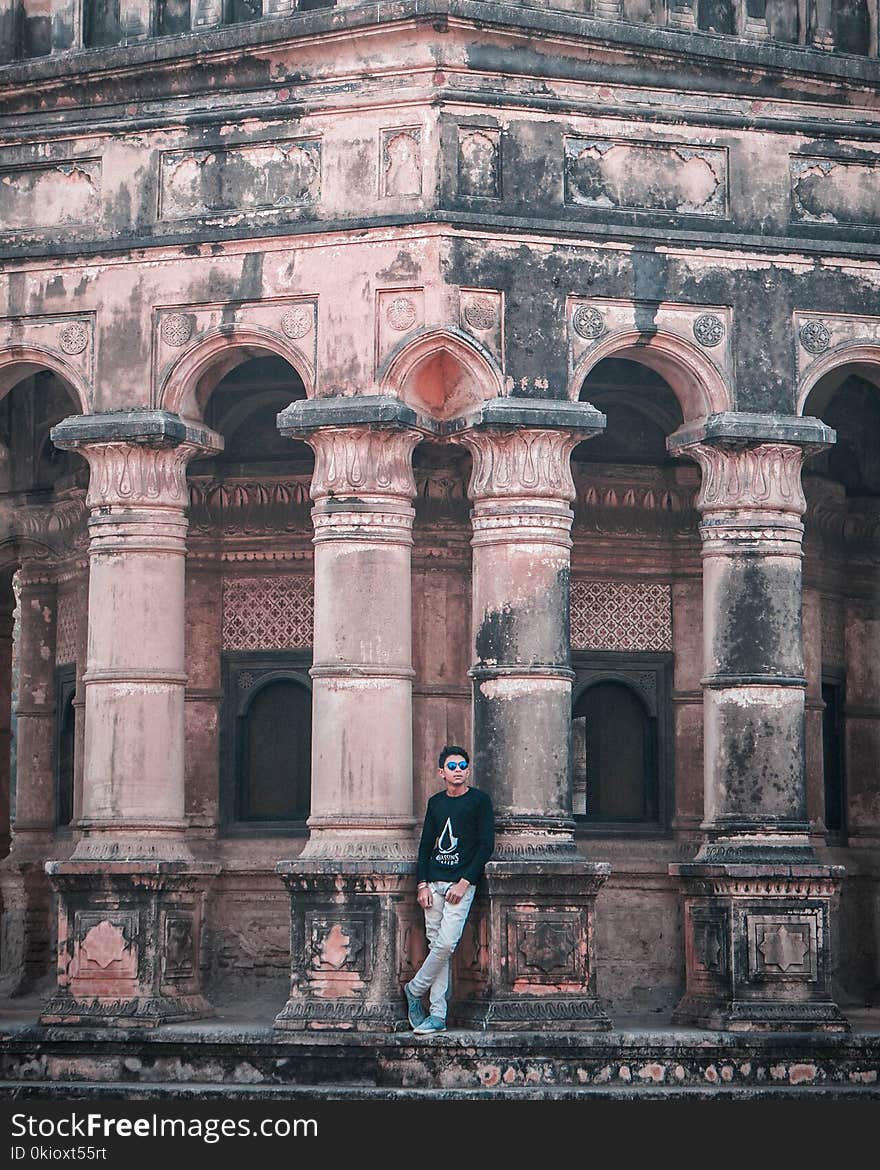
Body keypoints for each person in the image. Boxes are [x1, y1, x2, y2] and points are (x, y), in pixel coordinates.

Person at [403, 745, 494, 1035]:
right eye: (452, 766)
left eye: (463, 766)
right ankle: (438, 1016)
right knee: (437, 947)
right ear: (441, 772)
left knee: (445, 944)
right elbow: (425, 845)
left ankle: (414, 989)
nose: (459, 771)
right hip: (433, 884)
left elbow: (485, 845)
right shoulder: (436, 803)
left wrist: (465, 882)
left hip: (461, 885)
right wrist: (421, 885)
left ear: (468, 770)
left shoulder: (480, 801)